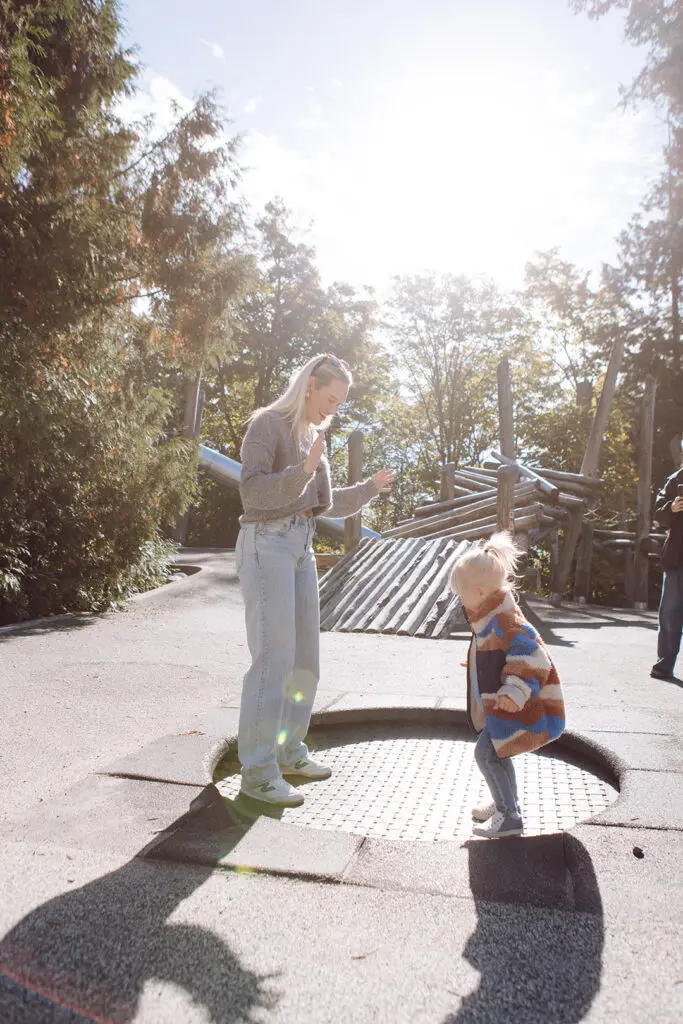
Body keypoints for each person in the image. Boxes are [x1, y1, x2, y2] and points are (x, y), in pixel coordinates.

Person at [235, 354, 395, 806]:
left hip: (301, 548)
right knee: (274, 659)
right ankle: (259, 772)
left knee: (306, 660)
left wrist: (369, 488)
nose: (333, 409)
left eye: (340, 403)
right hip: (266, 543)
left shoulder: (313, 437)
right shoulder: (267, 425)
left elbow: (327, 504)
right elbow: (253, 491)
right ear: (309, 386)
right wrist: (304, 469)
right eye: (330, 398)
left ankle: (288, 751)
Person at [449, 532, 566, 839]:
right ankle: (506, 802)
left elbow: (533, 655)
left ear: (479, 591)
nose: (461, 602)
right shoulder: (490, 616)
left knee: (486, 754)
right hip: (503, 701)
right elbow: (499, 655)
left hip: (513, 703)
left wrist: (514, 689)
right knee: (499, 752)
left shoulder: (504, 620)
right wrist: (482, 668)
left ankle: (509, 815)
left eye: (462, 596)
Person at [651, 452, 683, 683]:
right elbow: (658, 513)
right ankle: (665, 664)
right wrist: (671, 508)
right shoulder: (676, 480)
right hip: (676, 559)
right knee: (670, 614)